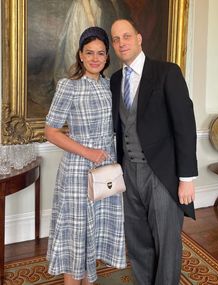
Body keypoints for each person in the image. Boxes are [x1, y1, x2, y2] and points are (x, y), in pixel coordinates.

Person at [110, 19, 198, 285]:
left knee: (166, 244)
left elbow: (185, 126)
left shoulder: (167, 72)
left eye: (126, 36)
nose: (121, 42)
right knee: (137, 241)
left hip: (162, 173)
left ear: (139, 38)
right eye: (115, 39)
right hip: (129, 174)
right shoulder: (115, 80)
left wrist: (186, 179)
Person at [45, 27, 126, 285]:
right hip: (78, 171)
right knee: (77, 236)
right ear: (80, 55)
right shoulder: (68, 86)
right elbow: (51, 132)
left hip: (106, 171)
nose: (95, 58)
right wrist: (88, 152)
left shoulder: (109, 85)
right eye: (89, 53)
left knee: (96, 234)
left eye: (100, 53)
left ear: (107, 57)